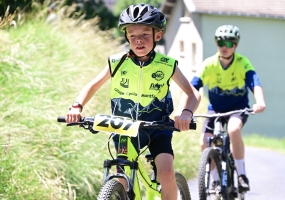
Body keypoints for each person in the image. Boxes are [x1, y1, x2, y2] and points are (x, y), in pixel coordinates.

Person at [66, 3, 200, 200]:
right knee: (120, 178)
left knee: (166, 174)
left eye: (145, 34)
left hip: (157, 128)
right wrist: (76, 106)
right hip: (124, 128)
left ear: (158, 35)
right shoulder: (117, 62)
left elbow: (192, 93)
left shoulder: (167, 65)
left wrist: (186, 113)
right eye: (132, 35)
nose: (138, 40)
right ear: (126, 37)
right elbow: (92, 86)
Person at [176, 25, 266, 191]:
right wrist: (181, 111)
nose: (224, 46)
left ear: (236, 45)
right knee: (204, 141)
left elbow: (255, 83)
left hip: (238, 108)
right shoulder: (209, 64)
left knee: (233, 130)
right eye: (220, 42)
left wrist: (259, 101)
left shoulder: (242, 63)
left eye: (229, 43)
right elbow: (192, 89)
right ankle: (216, 180)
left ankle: (241, 175)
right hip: (215, 109)